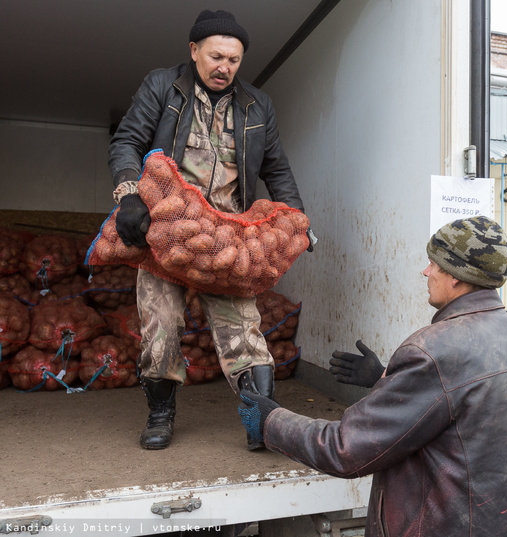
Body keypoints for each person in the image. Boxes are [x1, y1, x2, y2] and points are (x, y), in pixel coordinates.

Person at [239, 216, 507, 537]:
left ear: (457, 277)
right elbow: (468, 413)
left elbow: (346, 449)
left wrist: (269, 422)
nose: (426, 272)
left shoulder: (434, 348)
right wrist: (385, 377)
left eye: (434, 264)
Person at [108, 9, 313, 450]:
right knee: (160, 326)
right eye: (217, 56)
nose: (225, 67)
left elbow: (278, 171)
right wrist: (128, 194)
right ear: (194, 51)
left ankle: (262, 424)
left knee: (244, 332)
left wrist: (297, 222)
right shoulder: (163, 86)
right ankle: (161, 414)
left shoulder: (258, 105)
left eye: (234, 60)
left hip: (225, 237)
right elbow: (127, 140)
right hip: (166, 232)